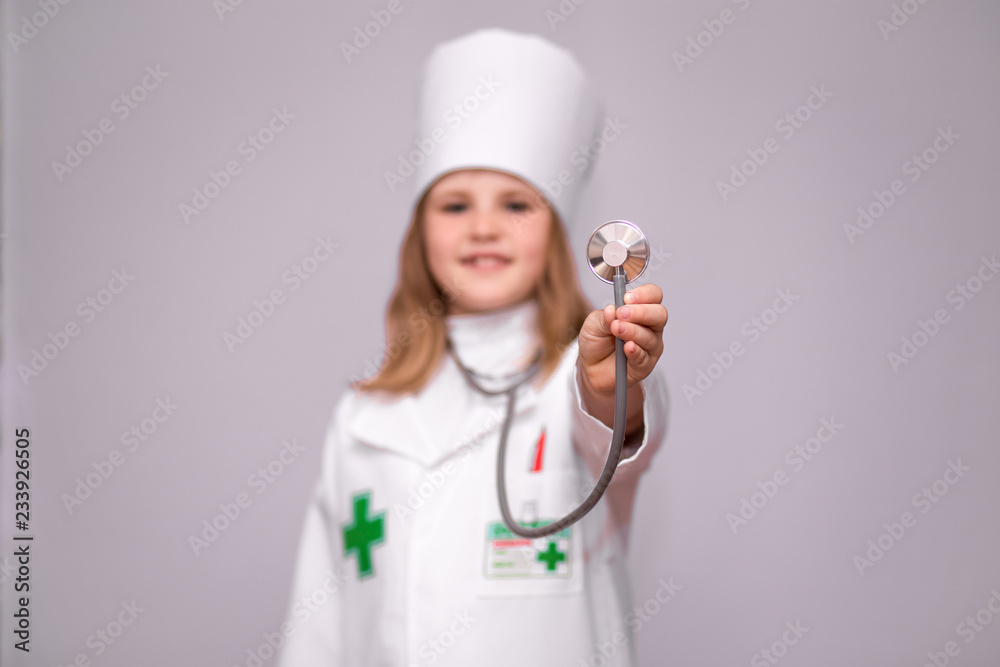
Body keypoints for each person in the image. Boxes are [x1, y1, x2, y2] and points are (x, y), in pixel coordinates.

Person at [276, 28, 668, 667]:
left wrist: (609, 388)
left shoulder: (579, 377)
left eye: (516, 203)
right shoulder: (363, 420)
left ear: (558, 229)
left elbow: (617, 437)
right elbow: (316, 622)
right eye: (455, 205)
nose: (483, 226)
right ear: (419, 230)